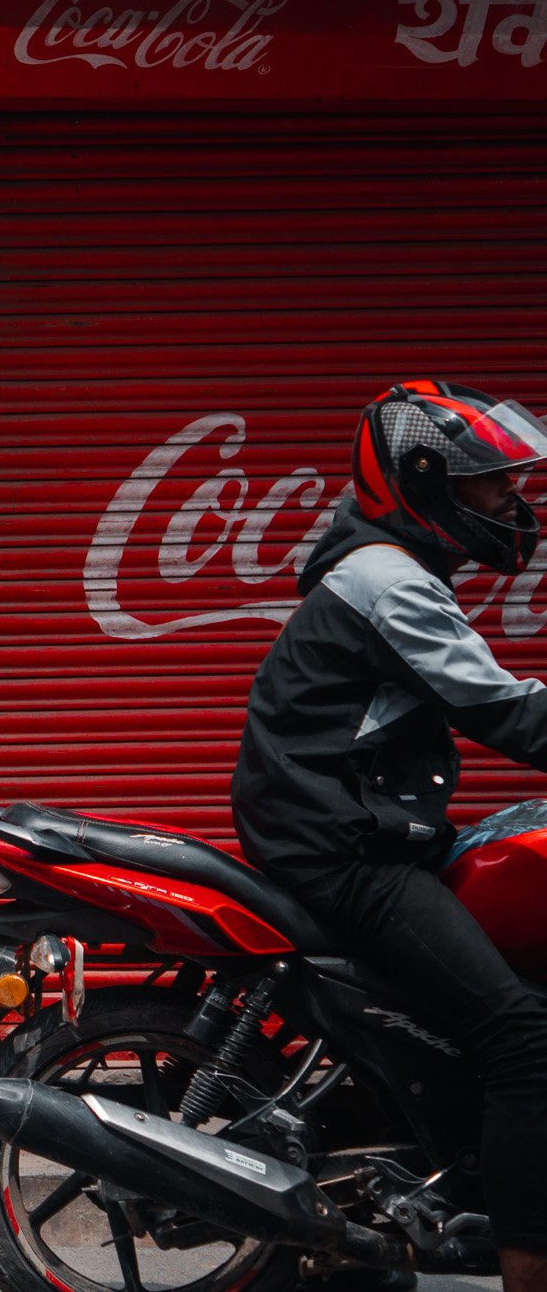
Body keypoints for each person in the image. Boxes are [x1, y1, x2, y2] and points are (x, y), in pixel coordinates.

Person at [231, 379, 547, 1289]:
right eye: (492, 485)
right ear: (426, 483)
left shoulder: (391, 563)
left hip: (359, 824)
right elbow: (503, 710)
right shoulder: (387, 579)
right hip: (340, 844)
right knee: (523, 1036)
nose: (511, 503)